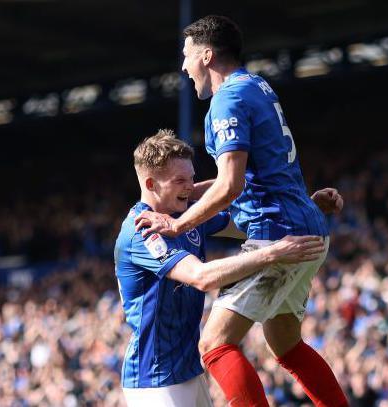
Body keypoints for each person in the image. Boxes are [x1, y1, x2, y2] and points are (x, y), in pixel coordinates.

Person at [135, 15, 349, 407]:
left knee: (214, 344)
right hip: (306, 226)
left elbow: (230, 184)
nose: (183, 66)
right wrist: (306, 203)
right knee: (285, 343)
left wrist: (178, 223)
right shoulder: (258, 87)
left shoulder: (226, 100)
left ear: (206, 55)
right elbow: (257, 172)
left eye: (186, 56)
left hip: (277, 233)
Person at [116, 129, 342, 406]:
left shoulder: (183, 216)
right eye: (180, 180)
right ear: (151, 184)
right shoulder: (143, 230)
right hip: (154, 379)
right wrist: (271, 254)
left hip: (187, 371)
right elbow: (201, 276)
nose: (190, 187)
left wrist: (303, 210)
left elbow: (252, 226)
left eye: (192, 178)